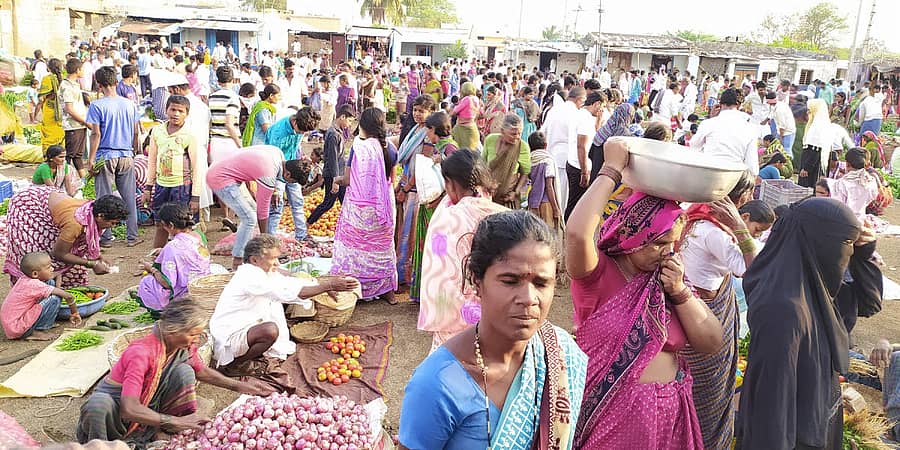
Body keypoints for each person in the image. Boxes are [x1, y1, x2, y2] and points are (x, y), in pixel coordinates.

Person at [566, 137, 724, 449]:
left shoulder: (666, 279)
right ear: (631, 235)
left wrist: (679, 292)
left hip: (669, 414)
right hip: (614, 415)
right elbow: (576, 232)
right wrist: (610, 169)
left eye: (673, 243)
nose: (667, 252)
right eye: (658, 242)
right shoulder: (597, 275)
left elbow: (712, 341)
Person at [400, 210, 587, 449]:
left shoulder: (558, 354)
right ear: (476, 281)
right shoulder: (437, 385)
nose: (529, 298)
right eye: (510, 281)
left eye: (541, 283)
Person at [736, 198, 867, 449]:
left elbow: (868, 303)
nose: (850, 253)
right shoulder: (785, 310)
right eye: (847, 243)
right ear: (820, 243)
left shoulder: (813, 289)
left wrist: (866, 250)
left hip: (813, 422)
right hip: (796, 437)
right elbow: (773, 409)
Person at [76, 298, 276, 445]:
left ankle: (158, 431)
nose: (196, 340)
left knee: (184, 371)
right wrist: (178, 420)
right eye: (193, 334)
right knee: (98, 404)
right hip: (117, 411)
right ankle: (104, 445)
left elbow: (202, 372)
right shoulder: (141, 353)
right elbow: (129, 408)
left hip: (146, 403)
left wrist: (243, 386)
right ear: (172, 330)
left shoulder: (180, 347)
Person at [677, 172, 757, 450]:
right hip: (703, 317)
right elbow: (753, 269)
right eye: (748, 194)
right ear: (738, 198)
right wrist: (740, 227)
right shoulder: (715, 232)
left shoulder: (695, 218)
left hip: (691, 310)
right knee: (707, 389)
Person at [211, 235, 359, 371]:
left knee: (274, 306)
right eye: (273, 259)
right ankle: (233, 365)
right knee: (270, 330)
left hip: (246, 324)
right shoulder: (250, 276)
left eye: (278, 258)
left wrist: (320, 283)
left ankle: (250, 352)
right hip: (230, 335)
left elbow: (289, 281)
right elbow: (287, 292)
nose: (277, 263)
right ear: (254, 260)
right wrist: (329, 286)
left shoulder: (263, 272)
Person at [416, 150, 507, 350]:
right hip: (496, 312)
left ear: (451, 183)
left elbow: (441, 273)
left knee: (452, 365)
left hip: (455, 314)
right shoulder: (500, 213)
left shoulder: (448, 218)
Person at [330, 108, 398, 304]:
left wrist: (336, 180)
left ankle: (354, 286)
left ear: (363, 126)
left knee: (355, 248)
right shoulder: (391, 149)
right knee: (382, 248)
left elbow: (349, 179)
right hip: (383, 205)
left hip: (359, 208)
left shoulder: (358, 148)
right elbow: (391, 180)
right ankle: (386, 290)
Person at [206, 145, 309, 269]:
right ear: (287, 174)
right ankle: (238, 261)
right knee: (250, 218)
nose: (290, 184)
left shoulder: (278, 154)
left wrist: (275, 191)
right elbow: (263, 211)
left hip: (224, 170)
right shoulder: (268, 174)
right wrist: (266, 240)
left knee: (251, 215)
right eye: (292, 181)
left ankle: (248, 256)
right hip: (220, 178)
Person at [86, 66, 141, 248]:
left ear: (99, 85)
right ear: (116, 82)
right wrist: (134, 152)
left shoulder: (96, 106)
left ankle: (106, 237)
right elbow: (135, 132)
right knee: (129, 197)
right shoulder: (130, 104)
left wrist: (91, 159)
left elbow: (96, 134)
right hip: (126, 154)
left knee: (104, 197)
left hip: (105, 155)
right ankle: (132, 236)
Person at [142, 95, 201, 249]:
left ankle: (190, 257)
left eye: (180, 111)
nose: (176, 114)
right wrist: (148, 187)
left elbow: (196, 167)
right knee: (161, 224)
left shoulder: (190, 134)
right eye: (173, 109)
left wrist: (195, 196)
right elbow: (152, 160)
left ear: (186, 114)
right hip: (162, 186)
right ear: (166, 110)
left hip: (182, 187)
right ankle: (157, 259)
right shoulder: (157, 131)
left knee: (183, 227)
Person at [395, 95, 438, 289]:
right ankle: (401, 270)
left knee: (409, 232)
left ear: (430, 112)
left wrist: (406, 187)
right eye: (415, 110)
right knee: (403, 228)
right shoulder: (415, 130)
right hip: (407, 182)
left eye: (421, 111)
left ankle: (406, 273)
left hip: (417, 188)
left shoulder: (428, 135)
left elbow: (422, 166)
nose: (417, 114)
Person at [136, 204, 211, 313]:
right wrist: (163, 252)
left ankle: (165, 311)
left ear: (170, 225)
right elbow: (188, 253)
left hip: (184, 293)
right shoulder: (198, 236)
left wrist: (151, 269)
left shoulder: (172, 247)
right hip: (202, 284)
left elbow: (167, 283)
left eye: (164, 225)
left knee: (146, 282)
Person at [265, 107, 321, 240]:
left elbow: (295, 148)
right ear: (295, 122)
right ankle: (270, 240)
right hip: (277, 172)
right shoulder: (279, 132)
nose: (300, 133)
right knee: (276, 207)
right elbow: (272, 160)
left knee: (297, 202)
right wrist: (276, 188)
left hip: (293, 168)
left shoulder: (300, 127)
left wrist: (301, 158)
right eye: (300, 131)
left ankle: (301, 234)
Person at [1, 252, 80, 340]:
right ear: (35, 274)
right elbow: (69, 296)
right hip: (18, 328)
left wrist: (58, 284)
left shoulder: (25, 279)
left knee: (51, 284)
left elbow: (57, 275)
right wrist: (75, 313)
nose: (52, 269)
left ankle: (44, 322)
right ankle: (38, 331)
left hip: (13, 324)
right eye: (48, 267)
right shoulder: (34, 284)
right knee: (54, 299)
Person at [690, 87, 759, 176]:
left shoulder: (709, 123)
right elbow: (752, 167)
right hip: (734, 177)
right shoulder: (750, 128)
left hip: (709, 174)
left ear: (720, 104)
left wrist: (711, 118)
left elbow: (694, 146)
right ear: (739, 105)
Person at [308, 105, 355, 225]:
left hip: (339, 174)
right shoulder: (333, 134)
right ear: (342, 117)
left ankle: (349, 227)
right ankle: (308, 223)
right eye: (349, 120)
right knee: (328, 203)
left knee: (345, 202)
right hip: (333, 175)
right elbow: (333, 158)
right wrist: (335, 180)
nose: (349, 124)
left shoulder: (337, 132)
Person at [483, 114, 531, 209]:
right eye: (513, 134)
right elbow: (483, 165)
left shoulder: (523, 147)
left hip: (507, 199)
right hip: (488, 195)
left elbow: (525, 173)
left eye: (519, 133)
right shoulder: (490, 140)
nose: (517, 137)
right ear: (502, 131)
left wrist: (515, 192)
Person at [60, 58, 90, 178]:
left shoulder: (75, 84)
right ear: (77, 70)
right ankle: (62, 180)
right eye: (82, 69)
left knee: (78, 155)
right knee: (68, 156)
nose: (83, 71)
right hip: (73, 125)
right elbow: (69, 109)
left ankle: (85, 180)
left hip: (79, 124)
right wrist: (85, 122)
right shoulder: (67, 86)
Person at [589, 103, 635, 182]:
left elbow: (591, 152)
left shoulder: (606, 127)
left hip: (595, 171)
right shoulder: (623, 132)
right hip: (607, 175)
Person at [526, 131, 562, 228]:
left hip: (533, 203)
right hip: (546, 203)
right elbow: (549, 186)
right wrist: (555, 208)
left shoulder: (529, 160)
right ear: (546, 145)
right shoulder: (547, 160)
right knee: (548, 235)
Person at [798, 99, 836, 188]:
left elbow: (815, 150)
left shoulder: (817, 128)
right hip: (814, 163)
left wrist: (806, 168)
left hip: (812, 165)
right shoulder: (819, 125)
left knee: (809, 187)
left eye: (809, 110)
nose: (808, 112)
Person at [37, 58, 65, 152]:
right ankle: (60, 155)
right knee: (59, 133)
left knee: (48, 135)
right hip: (61, 111)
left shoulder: (47, 79)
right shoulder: (63, 79)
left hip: (49, 111)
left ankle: (49, 156)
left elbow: (41, 98)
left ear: (48, 68)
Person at [451, 82, 482, 150]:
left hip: (462, 127)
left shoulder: (467, 99)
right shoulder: (476, 99)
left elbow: (455, 111)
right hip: (472, 126)